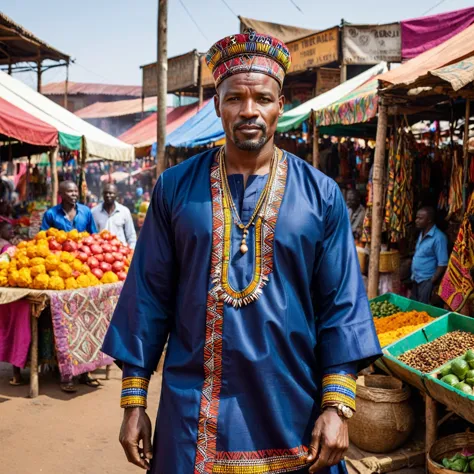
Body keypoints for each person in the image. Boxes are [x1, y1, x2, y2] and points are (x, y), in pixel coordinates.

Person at [102, 30, 381, 474]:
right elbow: (148, 296)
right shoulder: (175, 189)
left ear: (280, 105)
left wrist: (338, 405)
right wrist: (133, 401)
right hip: (193, 416)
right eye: (235, 99)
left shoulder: (321, 195)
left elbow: (341, 305)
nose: (248, 111)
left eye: (262, 99)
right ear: (217, 105)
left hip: (294, 412)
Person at [40, 180, 98, 392]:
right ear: (61, 194)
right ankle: (66, 372)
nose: (74, 194)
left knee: (86, 321)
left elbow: (94, 238)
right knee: (62, 323)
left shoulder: (86, 212)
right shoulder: (51, 215)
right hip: (61, 275)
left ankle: (85, 370)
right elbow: (43, 241)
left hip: (84, 272)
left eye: (75, 191)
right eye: (70, 191)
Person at [412, 206, 448, 304]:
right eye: (417, 218)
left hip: (427, 281)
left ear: (429, 220)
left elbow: (443, 263)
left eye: (420, 218)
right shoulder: (421, 233)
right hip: (416, 278)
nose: (416, 221)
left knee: (424, 310)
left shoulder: (439, 238)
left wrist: (431, 281)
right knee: (415, 310)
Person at [92, 184, 137, 249]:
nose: (108, 195)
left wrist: (131, 251)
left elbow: (131, 235)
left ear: (116, 195)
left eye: (111, 193)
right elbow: (92, 234)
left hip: (120, 252)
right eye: (106, 193)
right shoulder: (94, 212)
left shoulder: (124, 211)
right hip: (101, 253)